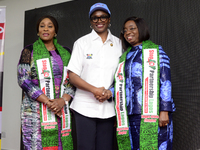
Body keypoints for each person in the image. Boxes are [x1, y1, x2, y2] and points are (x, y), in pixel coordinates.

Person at [112, 16, 175, 150]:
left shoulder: (156, 51)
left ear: (141, 29)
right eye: (125, 30)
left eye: (132, 28)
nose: (128, 32)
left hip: (154, 113)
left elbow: (166, 81)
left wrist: (164, 110)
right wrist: (106, 93)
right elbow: (120, 84)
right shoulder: (124, 57)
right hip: (130, 114)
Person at [67, 2, 122, 150]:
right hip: (84, 107)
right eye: (95, 18)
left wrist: (110, 92)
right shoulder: (81, 43)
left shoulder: (119, 44)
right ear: (91, 21)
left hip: (109, 108)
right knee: (85, 147)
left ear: (109, 19)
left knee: (106, 147)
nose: (99, 21)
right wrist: (94, 90)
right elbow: (72, 76)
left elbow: (123, 76)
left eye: (103, 17)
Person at [17, 15, 74, 150]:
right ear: (38, 31)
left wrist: (62, 101)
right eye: (42, 26)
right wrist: (49, 102)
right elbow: (23, 79)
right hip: (35, 112)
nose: (45, 29)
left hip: (60, 110)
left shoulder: (66, 53)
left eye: (50, 26)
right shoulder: (28, 51)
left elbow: (72, 80)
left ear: (55, 31)